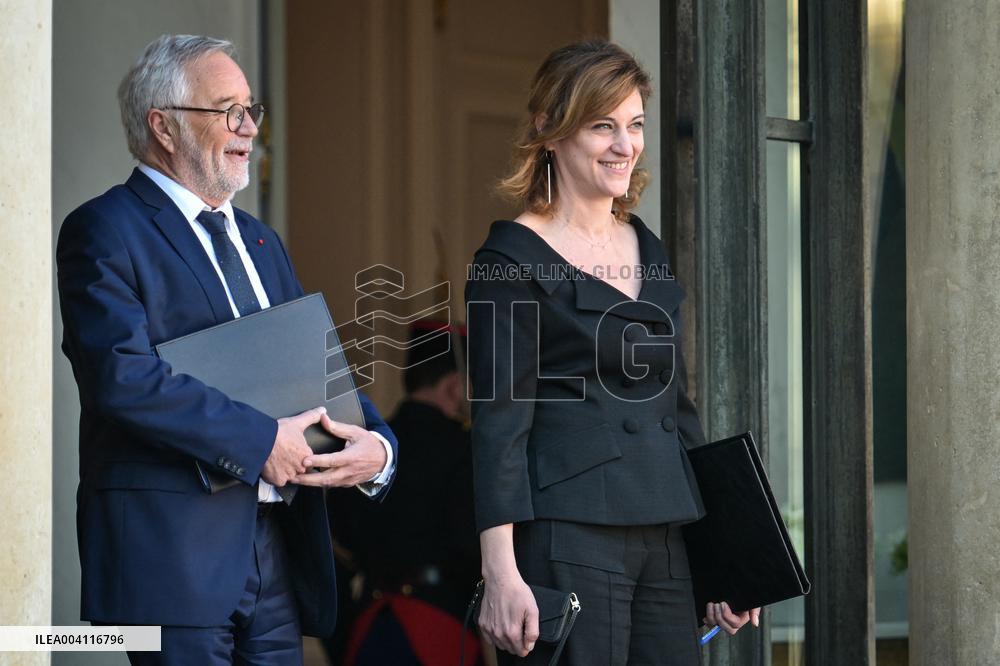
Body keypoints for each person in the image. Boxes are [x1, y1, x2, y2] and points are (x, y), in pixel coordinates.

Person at [56, 34, 397, 665]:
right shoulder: (103, 228)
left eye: (251, 110)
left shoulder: (262, 241)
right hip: (170, 557)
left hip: (275, 549)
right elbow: (121, 377)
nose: (247, 128)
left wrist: (377, 447)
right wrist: (260, 441)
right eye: (227, 110)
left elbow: (314, 370)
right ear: (163, 127)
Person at [465, 41, 759, 665]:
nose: (625, 145)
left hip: (668, 533)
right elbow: (499, 427)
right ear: (549, 129)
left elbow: (677, 411)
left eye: (635, 125)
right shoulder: (507, 262)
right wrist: (501, 570)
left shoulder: (647, 247)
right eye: (602, 126)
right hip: (569, 534)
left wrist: (723, 553)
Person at [324, 321, 480, 664]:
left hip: (369, 624)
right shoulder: (465, 448)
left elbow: (336, 546)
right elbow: (471, 544)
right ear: (455, 386)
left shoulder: (360, 445)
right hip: (442, 626)